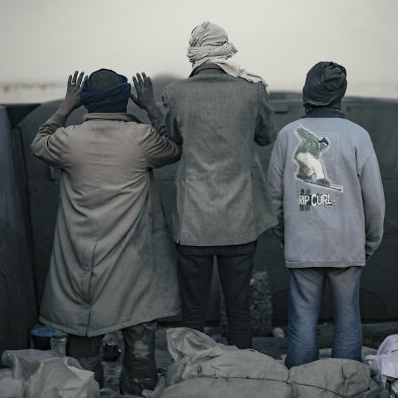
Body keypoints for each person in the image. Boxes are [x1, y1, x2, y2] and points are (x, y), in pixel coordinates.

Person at [29, 68, 181, 394]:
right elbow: (174, 147)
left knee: (82, 350)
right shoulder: (141, 138)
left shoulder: (67, 140)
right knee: (141, 348)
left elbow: (38, 143)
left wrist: (64, 108)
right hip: (134, 268)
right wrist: (152, 107)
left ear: (85, 100)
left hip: (82, 267)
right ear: (124, 98)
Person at [152, 21, 277, 349]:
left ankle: (192, 375)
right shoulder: (253, 89)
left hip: (194, 224)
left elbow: (174, 142)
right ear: (225, 48)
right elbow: (265, 137)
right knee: (238, 309)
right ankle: (240, 374)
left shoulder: (175, 93)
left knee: (193, 310)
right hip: (239, 223)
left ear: (194, 51)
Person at [266, 61, 385, 367]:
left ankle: (303, 384)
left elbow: (272, 197)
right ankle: (345, 383)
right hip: (347, 244)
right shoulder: (358, 136)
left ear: (308, 93)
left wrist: (285, 235)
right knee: (348, 318)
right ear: (340, 94)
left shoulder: (288, 135)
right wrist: (369, 243)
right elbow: (374, 199)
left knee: (302, 318)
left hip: (302, 244)